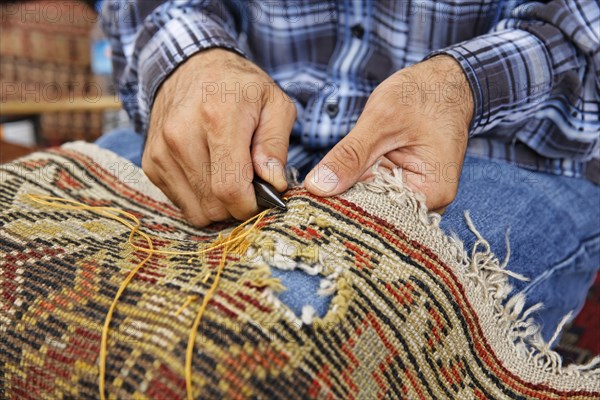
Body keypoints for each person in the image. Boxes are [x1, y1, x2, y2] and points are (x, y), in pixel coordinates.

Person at [98, 0, 599, 344]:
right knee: (33, 243)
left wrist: (466, 84)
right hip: (257, 119)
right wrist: (189, 59)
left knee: (276, 328)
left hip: (511, 143)